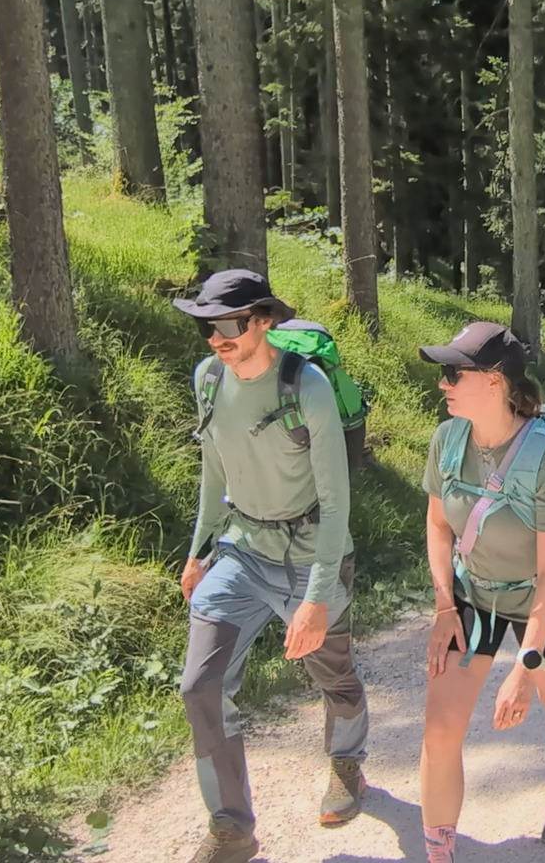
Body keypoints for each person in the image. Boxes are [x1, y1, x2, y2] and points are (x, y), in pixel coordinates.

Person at [175, 270, 370, 863]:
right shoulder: (209, 379)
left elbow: (336, 501)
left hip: (313, 554)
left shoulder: (304, 386)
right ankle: (232, 830)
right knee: (200, 687)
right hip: (241, 551)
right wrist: (198, 549)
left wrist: (313, 599)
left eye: (230, 324)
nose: (216, 338)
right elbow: (214, 472)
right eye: (208, 326)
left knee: (332, 677)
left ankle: (346, 762)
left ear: (262, 321)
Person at [417, 322, 545, 861]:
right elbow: (439, 526)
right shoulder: (447, 439)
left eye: (452, 373)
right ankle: (438, 853)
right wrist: (446, 604)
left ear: (493, 382)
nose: (442, 384)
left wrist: (523, 668)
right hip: (476, 596)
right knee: (441, 729)